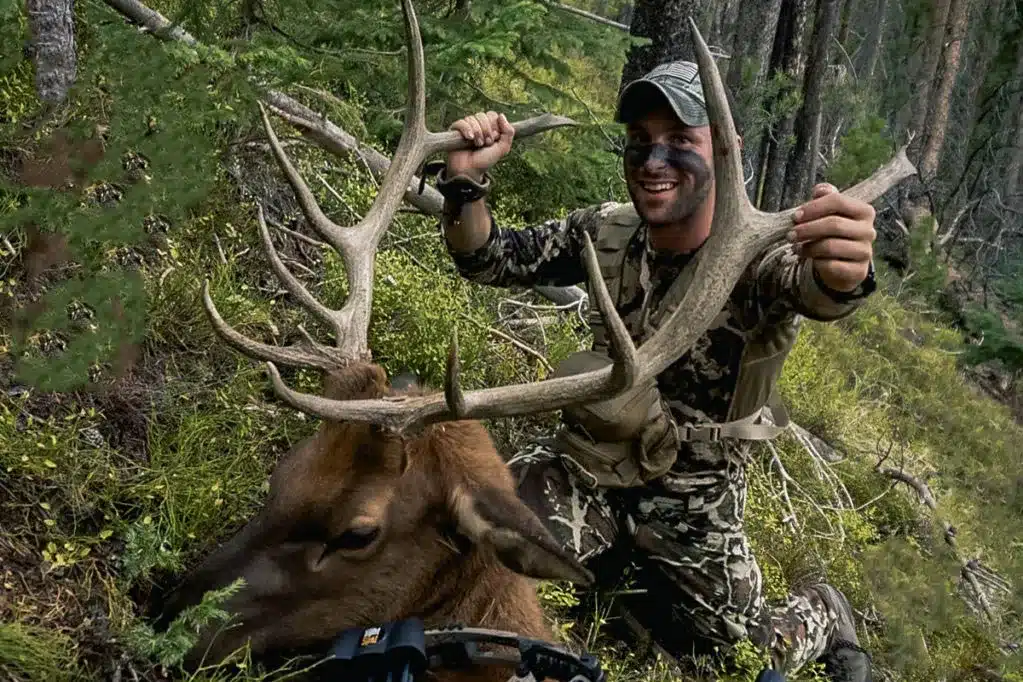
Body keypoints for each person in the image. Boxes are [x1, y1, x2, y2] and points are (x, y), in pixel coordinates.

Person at [432, 60, 877, 682]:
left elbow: (818, 289)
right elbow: (486, 258)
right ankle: (609, 562)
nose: (653, 159)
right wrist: (464, 185)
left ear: (725, 150)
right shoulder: (606, 231)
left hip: (694, 501)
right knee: (479, 552)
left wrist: (844, 269)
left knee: (741, 662)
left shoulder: (763, 259)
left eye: (680, 142)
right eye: (640, 141)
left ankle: (824, 613)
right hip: (590, 464)